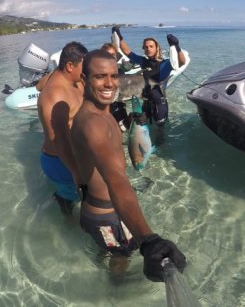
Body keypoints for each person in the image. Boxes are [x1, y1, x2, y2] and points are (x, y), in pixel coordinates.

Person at [71, 49, 187, 281]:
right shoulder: (93, 123)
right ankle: (117, 292)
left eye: (114, 76)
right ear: (84, 79)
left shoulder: (97, 113)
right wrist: (148, 240)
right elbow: (115, 179)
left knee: (112, 252)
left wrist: (129, 123)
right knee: (121, 258)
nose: (110, 83)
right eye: (100, 76)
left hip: (94, 208)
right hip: (106, 216)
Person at [37, 41, 88, 214]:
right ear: (69, 66)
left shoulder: (70, 81)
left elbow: (38, 85)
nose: (86, 70)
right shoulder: (55, 94)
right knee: (77, 198)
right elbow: (57, 140)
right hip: (61, 161)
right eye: (84, 66)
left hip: (71, 157)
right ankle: (63, 208)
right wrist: (77, 173)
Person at [111, 26, 185, 125]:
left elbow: (181, 62)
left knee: (160, 133)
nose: (148, 49)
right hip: (146, 104)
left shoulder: (165, 64)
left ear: (157, 48)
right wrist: (119, 37)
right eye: (146, 47)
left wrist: (176, 46)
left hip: (160, 105)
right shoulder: (143, 61)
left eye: (151, 46)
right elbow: (128, 52)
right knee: (142, 127)